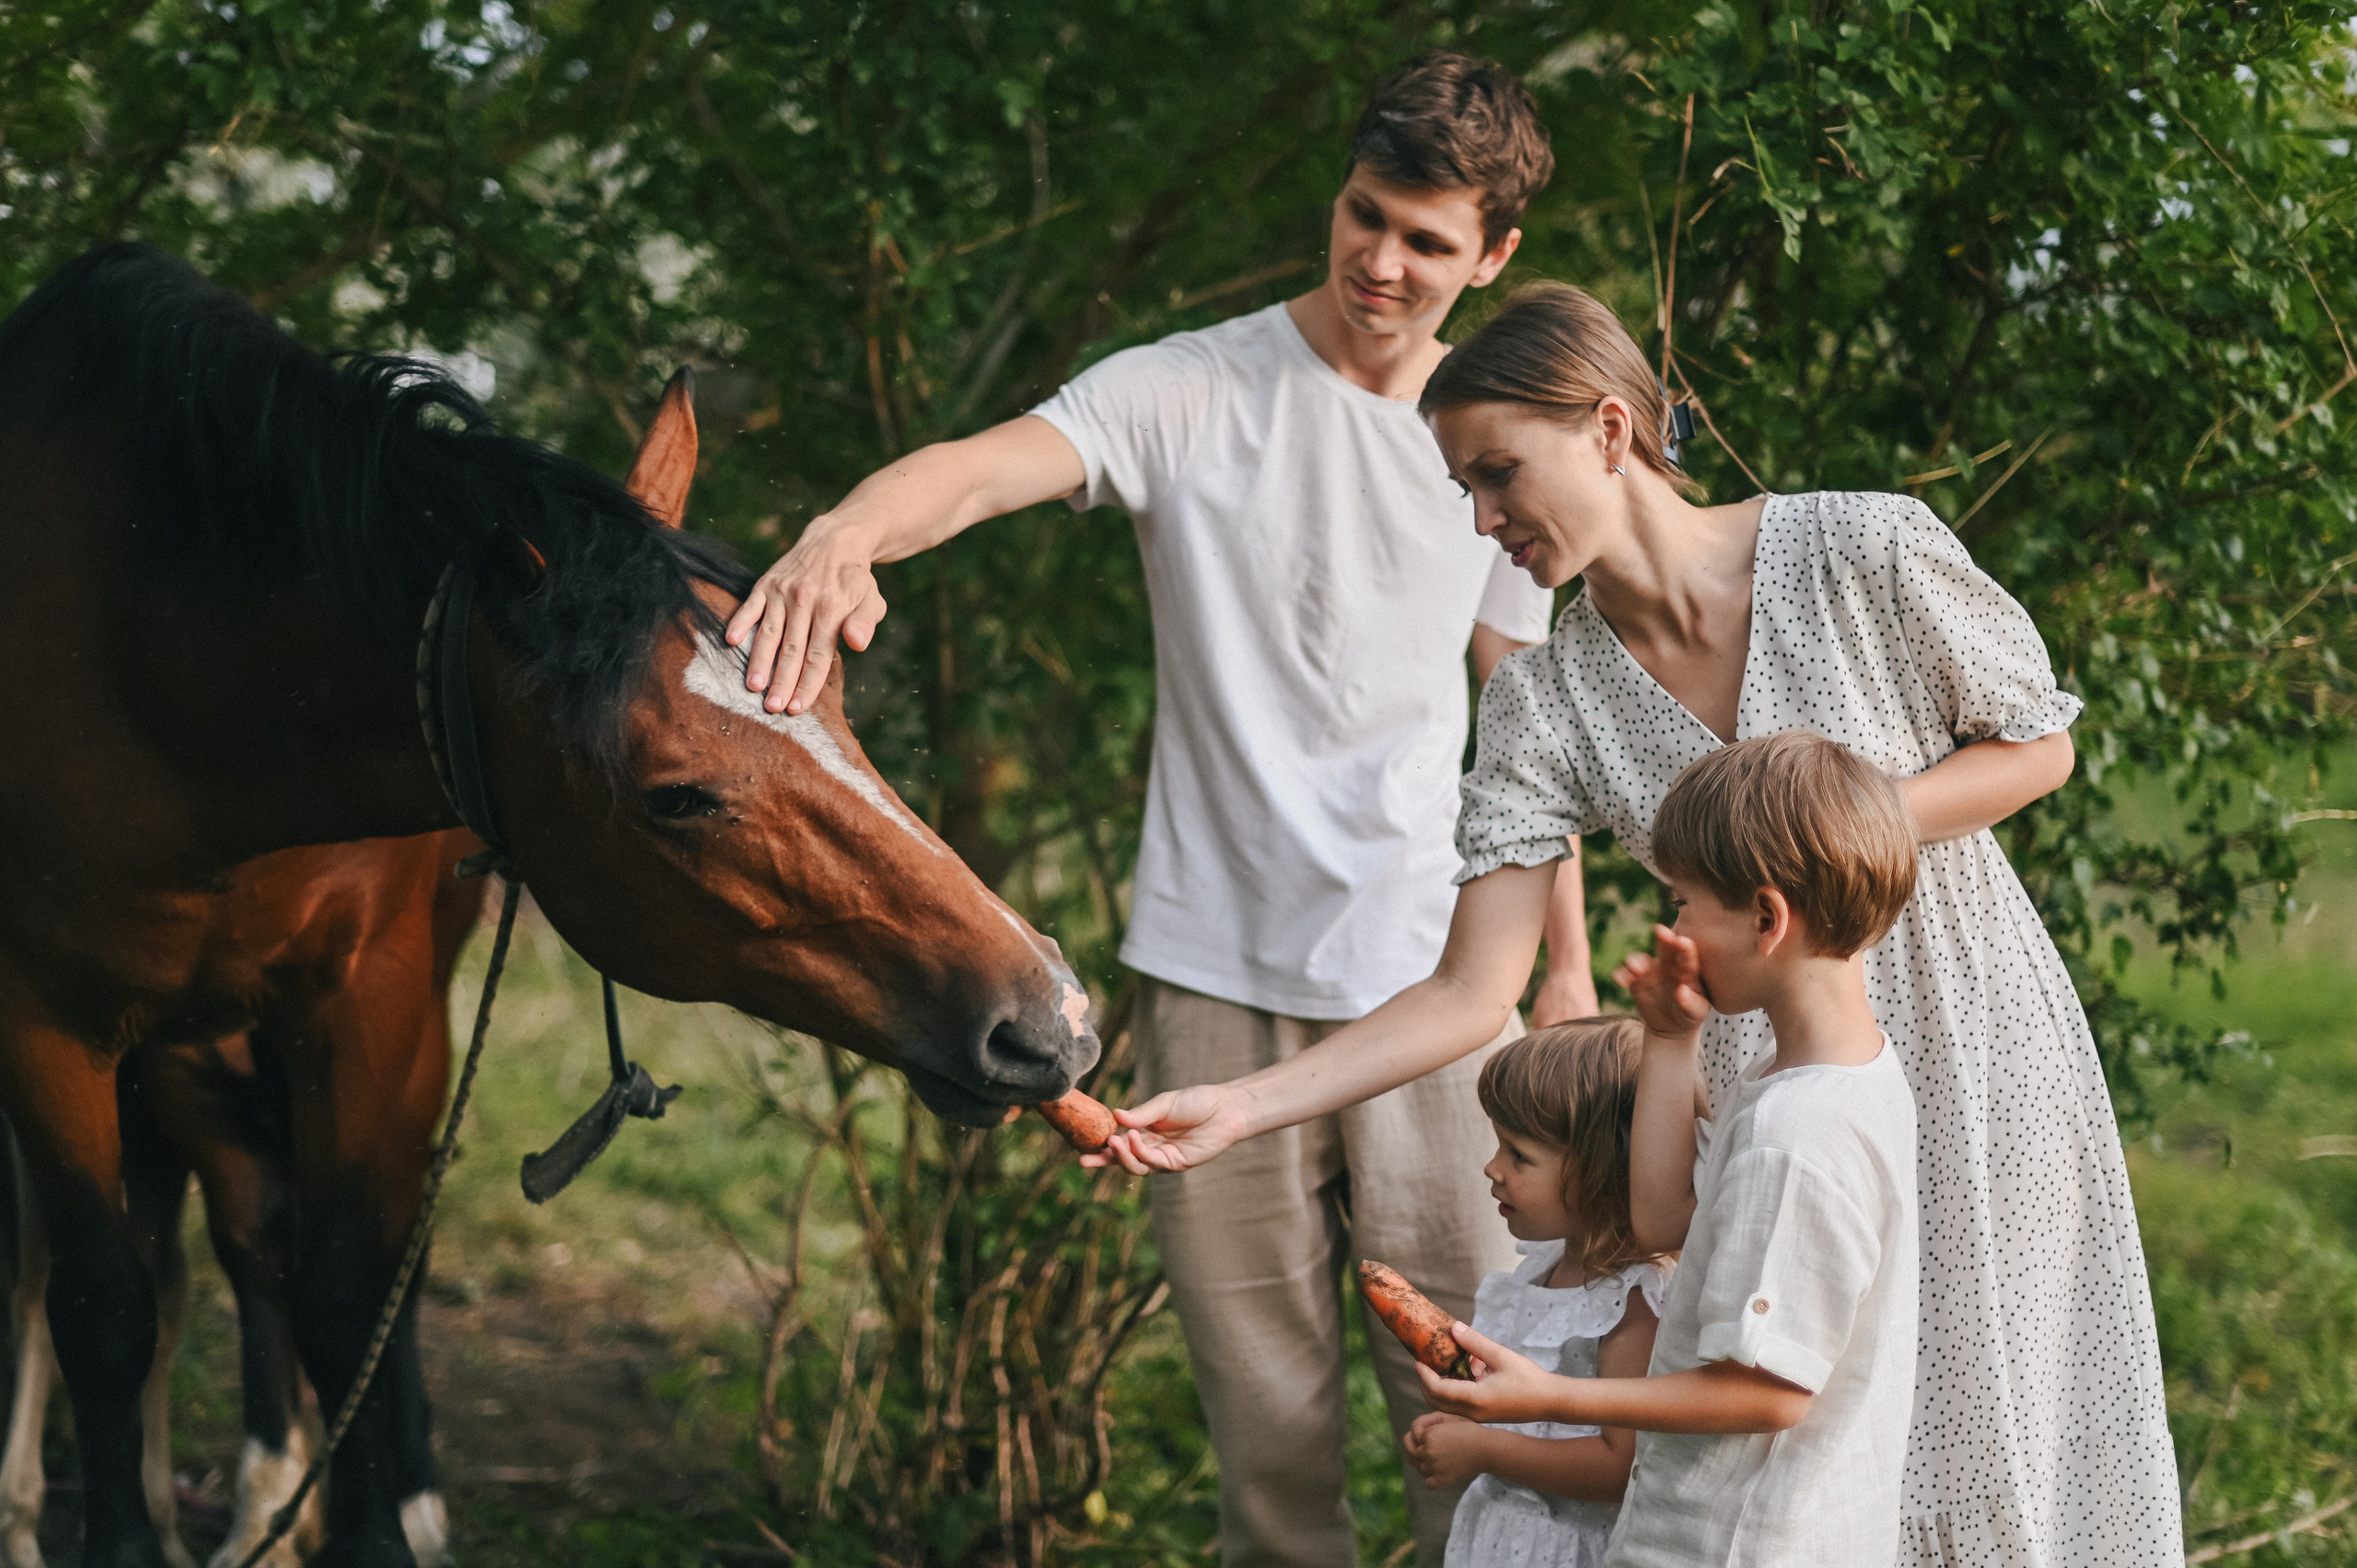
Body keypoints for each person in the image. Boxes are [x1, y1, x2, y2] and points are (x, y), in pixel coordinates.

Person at [1093, 281, 2184, 1564]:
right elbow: (1464, 991)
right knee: (1805, 1445)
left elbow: (2036, 746)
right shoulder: (1547, 701)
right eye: (1467, 493)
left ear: (1611, 427)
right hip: (1759, 1087)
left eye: (1500, 475)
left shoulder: (1860, 549)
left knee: (2000, 1432)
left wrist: (1830, 826)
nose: (1487, 521)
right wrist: (1246, 1103)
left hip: (1973, 1038)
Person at [725, 55, 1599, 1566]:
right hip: (1211, 989)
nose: (1382, 261)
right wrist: (845, 529)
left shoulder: (1492, 442)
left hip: (1440, 994)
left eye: (1428, 241)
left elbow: (1527, 720)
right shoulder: (1194, 388)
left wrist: (1568, 978)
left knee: (1491, 1434)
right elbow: (983, 470)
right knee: (1271, 1460)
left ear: (1495, 257)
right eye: (1365, 214)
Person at [1420, 730, 1922, 1568]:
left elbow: (1766, 1392)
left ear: (1767, 917)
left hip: (1737, 1545)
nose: (1674, 924)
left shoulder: (1796, 1135)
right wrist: (1669, 1038)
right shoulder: (1822, 1076)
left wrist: (1549, 1393)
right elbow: (1663, 1219)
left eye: (1686, 902)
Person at [1399, 1016, 1669, 1568]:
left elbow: (1622, 1467)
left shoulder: (1632, 1302)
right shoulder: (1543, 1266)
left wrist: (1484, 1450)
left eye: (1519, 1155)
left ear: (1604, 1171)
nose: (1492, 1168)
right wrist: (1466, 1425)